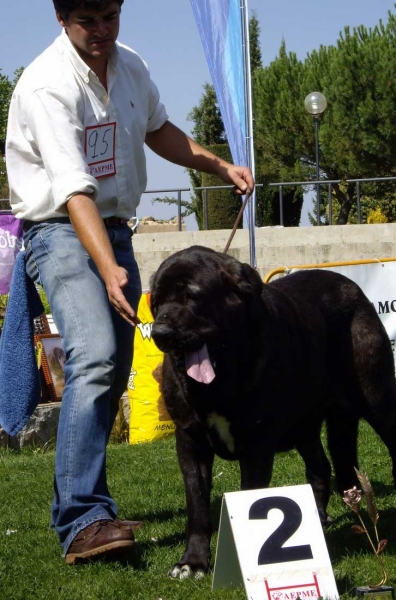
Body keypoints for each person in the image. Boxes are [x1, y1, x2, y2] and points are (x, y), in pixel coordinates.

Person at [5, 0, 254, 565]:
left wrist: (219, 165)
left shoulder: (132, 65)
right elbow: (73, 192)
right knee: (93, 356)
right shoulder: (47, 85)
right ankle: (82, 519)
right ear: (61, 18)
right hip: (60, 230)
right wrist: (109, 267)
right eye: (87, 20)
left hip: (114, 228)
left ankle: (83, 501)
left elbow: (159, 130)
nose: (102, 30)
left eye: (111, 16)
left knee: (115, 367)